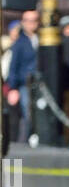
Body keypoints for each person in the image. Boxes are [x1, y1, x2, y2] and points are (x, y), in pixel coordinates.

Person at [6, 8, 40, 144]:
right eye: (27, 21)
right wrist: (13, 88)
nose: (31, 24)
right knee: (28, 115)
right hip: (24, 84)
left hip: (41, 85)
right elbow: (13, 66)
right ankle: (23, 144)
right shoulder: (20, 43)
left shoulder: (41, 39)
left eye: (34, 20)